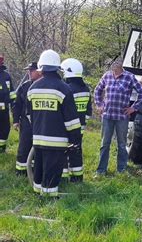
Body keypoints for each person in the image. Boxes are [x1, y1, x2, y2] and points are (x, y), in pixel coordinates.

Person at [27, 50, 81, 196]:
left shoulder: (32, 88)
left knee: (38, 168)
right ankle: (49, 200)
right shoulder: (64, 88)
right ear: (58, 68)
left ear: (41, 68)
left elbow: (29, 115)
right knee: (52, 172)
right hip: (57, 141)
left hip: (38, 138)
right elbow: (72, 121)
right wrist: (75, 140)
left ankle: (38, 194)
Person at [94, 58, 142, 175]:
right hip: (107, 115)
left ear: (121, 65)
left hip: (122, 117)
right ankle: (101, 170)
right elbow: (97, 90)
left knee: (122, 145)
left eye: (115, 64)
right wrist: (99, 105)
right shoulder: (107, 76)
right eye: (111, 65)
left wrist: (134, 108)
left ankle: (121, 170)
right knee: (104, 144)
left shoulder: (129, 77)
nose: (113, 66)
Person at [60, 58, 92, 182]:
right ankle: (77, 177)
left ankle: (63, 178)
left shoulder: (67, 89)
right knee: (76, 150)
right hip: (80, 127)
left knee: (63, 151)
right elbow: (88, 110)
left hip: (67, 127)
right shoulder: (85, 89)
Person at [12, 62, 42, 175]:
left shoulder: (44, 86)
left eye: (32, 70)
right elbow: (17, 105)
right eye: (28, 70)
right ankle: (21, 172)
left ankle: (34, 171)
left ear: (39, 71)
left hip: (40, 123)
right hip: (26, 123)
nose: (29, 73)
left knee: (38, 148)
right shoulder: (24, 86)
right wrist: (15, 120)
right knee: (24, 147)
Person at [0, 55, 16, 153]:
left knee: (5, 129)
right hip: (4, 109)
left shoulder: (6, 76)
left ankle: (2, 148)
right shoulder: (6, 76)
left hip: (4, 110)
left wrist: (14, 106)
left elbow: (12, 93)